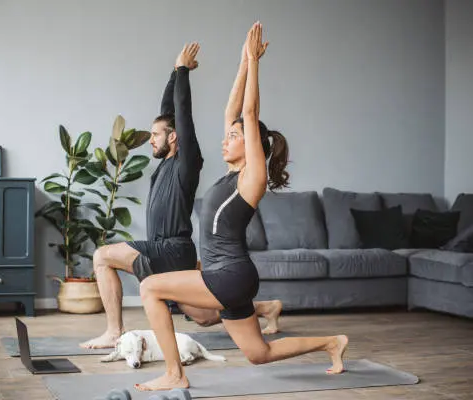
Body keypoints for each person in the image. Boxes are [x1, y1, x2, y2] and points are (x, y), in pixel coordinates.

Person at [133, 22, 349, 392]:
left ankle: (174, 374)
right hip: (227, 275)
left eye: (234, 137)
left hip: (229, 275)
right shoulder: (230, 175)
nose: (226, 139)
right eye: (228, 135)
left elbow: (248, 115)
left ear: (251, 146)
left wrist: (255, 62)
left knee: (151, 287)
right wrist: (243, 63)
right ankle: (332, 343)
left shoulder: (253, 177)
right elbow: (234, 110)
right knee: (258, 353)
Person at [80, 43, 282, 349]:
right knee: (202, 316)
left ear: (174, 137)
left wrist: (183, 70)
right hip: (163, 250)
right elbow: (169, 110)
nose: (151, 141)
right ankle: (264, 308)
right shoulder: (164, 164)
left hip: (172, 249)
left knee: (102, 256)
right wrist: (175, 74)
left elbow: (181, 114)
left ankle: (113, 331)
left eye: (157, 135)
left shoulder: (187, 162)